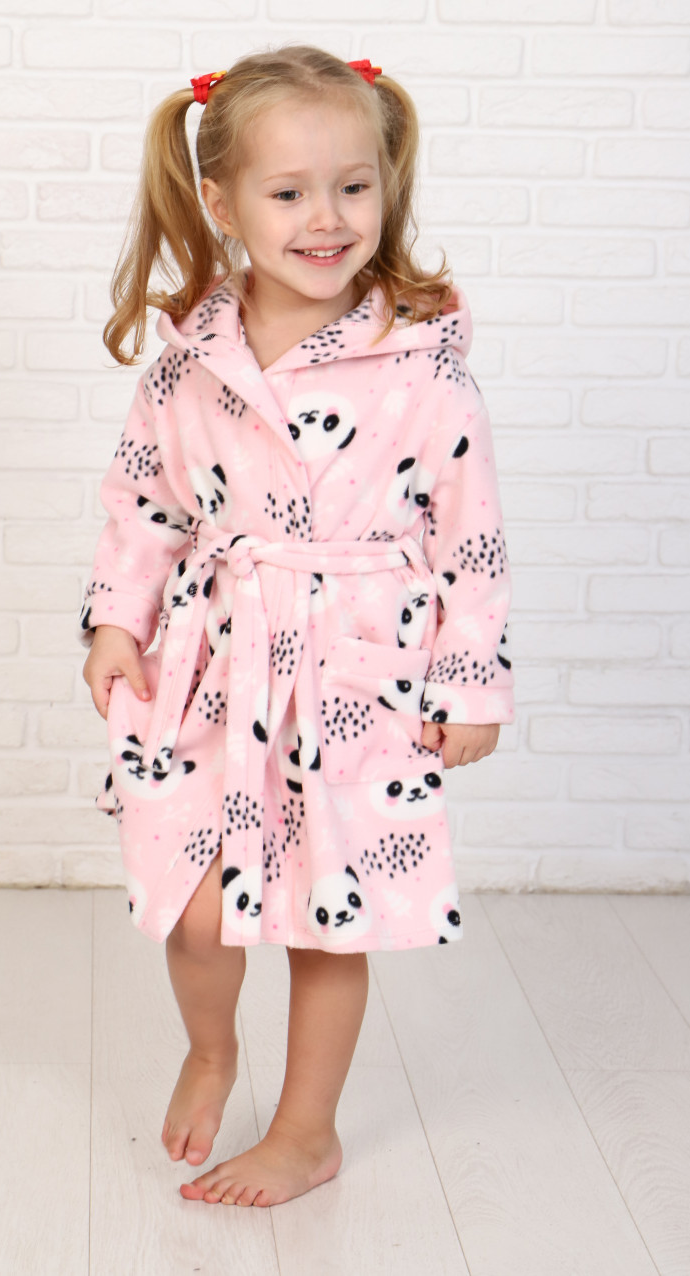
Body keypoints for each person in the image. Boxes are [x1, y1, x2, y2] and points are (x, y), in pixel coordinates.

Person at [81, 45, 513, 1208]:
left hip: (355, 677)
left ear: (385, 184)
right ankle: (212, 1046)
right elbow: (145, 503)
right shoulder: (191, 358)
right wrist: (117, 621)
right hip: (217, 664)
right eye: (289, 192)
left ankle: (305, 1131)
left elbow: (471, 538)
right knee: (196, 904)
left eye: (353, 186)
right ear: (222, 203)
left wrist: (471, 684)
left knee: (332, 919)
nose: (327, 219)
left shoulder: (422, 366)